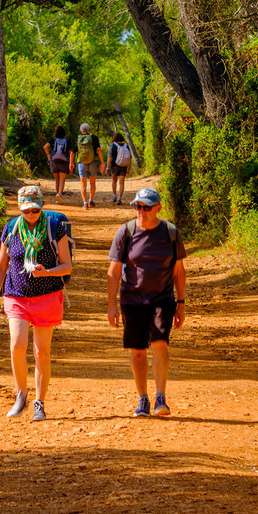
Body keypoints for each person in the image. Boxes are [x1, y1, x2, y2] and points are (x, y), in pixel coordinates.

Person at [0, 183, 73, 422]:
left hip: (47, 296)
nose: (30, 215)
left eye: (34, 210)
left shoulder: (54, 227)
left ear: (41, 207)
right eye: (25, 211)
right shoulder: (11, 228)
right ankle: (21, 394)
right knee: (17, 345)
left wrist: (46, 272)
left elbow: (66, 265)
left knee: (41, 352)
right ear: (20, 209)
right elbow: (1, 266)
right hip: (16, 295)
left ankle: (40, 403)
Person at [106, 186, 187, 418]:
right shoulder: (126, 232)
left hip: (162, 298)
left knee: (159, 343)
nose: (141, 211)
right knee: (138, 351)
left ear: (158, 208)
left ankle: (160, 398)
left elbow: (179, 270)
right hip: (132, 299)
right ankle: (143, 399)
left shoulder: (170, 232)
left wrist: (181, 302)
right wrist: (112, 306)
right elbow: (113, 271)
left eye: (146, 207)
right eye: (137, 206)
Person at [77, 130, 102, 209]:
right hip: (93, 162)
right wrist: (102, 162)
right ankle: (90, 200)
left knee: (83, 184)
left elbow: (73, 152)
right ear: (89, 130)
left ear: (81, 131)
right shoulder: (94, 138)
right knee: (92, 183)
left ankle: (85, 203)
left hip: (81, 163)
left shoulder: (78, 139)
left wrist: (71, 163)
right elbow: (98, 150)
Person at [46, 126, 73, 198]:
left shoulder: (53, 140)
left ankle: (57, 194)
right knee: (62, 180)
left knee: (57, 179)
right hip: (64, 162)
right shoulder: (67, 141)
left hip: (54, 161)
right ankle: (60, 194)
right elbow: (70, 152)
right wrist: (71, 162)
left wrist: (49, 155)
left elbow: (45, 147)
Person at [107, 136, 130, 207]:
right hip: (124, 165)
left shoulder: (113, 145)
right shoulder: (126, 145)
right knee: (122, 182)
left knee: (114, 180)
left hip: (115, 165)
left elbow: (109, 157)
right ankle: (119, 198)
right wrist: (128, 168)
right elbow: (129, 157)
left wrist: (107, 167)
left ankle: (114, 196)